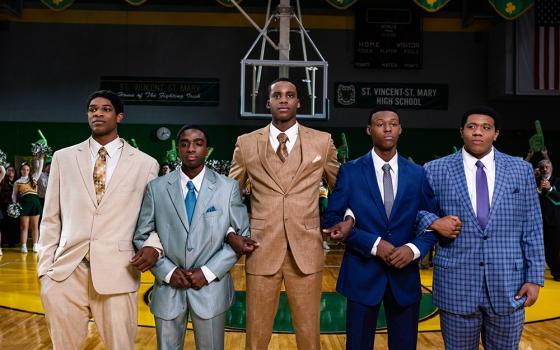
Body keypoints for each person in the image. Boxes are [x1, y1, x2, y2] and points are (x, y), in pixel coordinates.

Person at [37, 90, 162, 350]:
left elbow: (152, 218)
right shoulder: (63, 157)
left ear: (119, 116)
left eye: (105, 109)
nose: (98, 113)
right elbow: (50, 218)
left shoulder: (145, 164)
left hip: (119, 270)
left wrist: (154, 245)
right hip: (65, 272)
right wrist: (44, 272)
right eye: (93, 109)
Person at [418, 106, 544, 349]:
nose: (478, 132)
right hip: (456, 284)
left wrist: (535, 278)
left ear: (496, 134)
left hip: (510, 285)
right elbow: (415, 211)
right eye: (472, 127)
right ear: (461, 132)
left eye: (486, 128)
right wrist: (433, 222)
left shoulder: (520, 170)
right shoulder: (435, 170)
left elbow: (533, 226)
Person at [229, 77, 339, 350]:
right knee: (256, 334)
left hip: (306, 248)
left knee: (309, 333)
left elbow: (342, 187)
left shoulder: (322, 142)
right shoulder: (246, 143)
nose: (283, 99)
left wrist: (339, 219)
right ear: (268, 102)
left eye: (289, 95)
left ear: (298, 102)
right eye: (277, 95)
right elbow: (229, 195)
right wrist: (234, 232)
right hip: (261, 247)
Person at [322, 108, 445, 350]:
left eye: (393, 124)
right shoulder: (350, 171)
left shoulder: (418, 174)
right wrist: (374, 245)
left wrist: (413, 249)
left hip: (405, 276)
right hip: (362, 274)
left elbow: (432, 221)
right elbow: (331, 219)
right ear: (369, 130)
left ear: (400, 129)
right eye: (380, 124)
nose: (387, 128)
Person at [134, 125, 251, 350]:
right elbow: (143, 235)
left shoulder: (227, 188)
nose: (191, 148)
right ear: (178, 148)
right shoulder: (156, 188)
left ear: (207, 149)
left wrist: (207, 273)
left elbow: (240, 236)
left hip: (210, 289)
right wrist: (167, 271)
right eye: (185, 143)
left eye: (198, 143)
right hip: (168, 288)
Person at [12, 157, 44, 253]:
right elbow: (13, 195)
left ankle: (35, 245)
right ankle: (24, 246)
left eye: (27, 170)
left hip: (35, 204)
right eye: (23, 169)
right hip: (24, 204)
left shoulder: (34, 178)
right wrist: (14, 205)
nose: (25, 171)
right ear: (20, 171)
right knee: (24, 226)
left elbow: (39, 168)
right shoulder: (17, 182)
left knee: (35, 226)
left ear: (29, 171)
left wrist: (41, 157)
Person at [537, 159, 560, 281]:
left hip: (554, 221)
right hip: (539, 222)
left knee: (555, 248)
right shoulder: (535, 182)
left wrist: (551, 189)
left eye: (546, 167)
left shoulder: (557, 181)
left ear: (551, 168)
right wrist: (539, 190)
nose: (544, 169)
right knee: (544, 249)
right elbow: (531, 201)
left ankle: (557, 272)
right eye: (542, 167)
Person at [0, 165, 18, 246]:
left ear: (15, 173)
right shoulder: (3, 181)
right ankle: (3, 241)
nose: (10, 172)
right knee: (4, 223)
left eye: (12, 171)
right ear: (6, 172)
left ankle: (12, 242)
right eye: (9, 170)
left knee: (13, 224)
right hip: (4, 204)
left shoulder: (17, 182)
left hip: (13, 205)